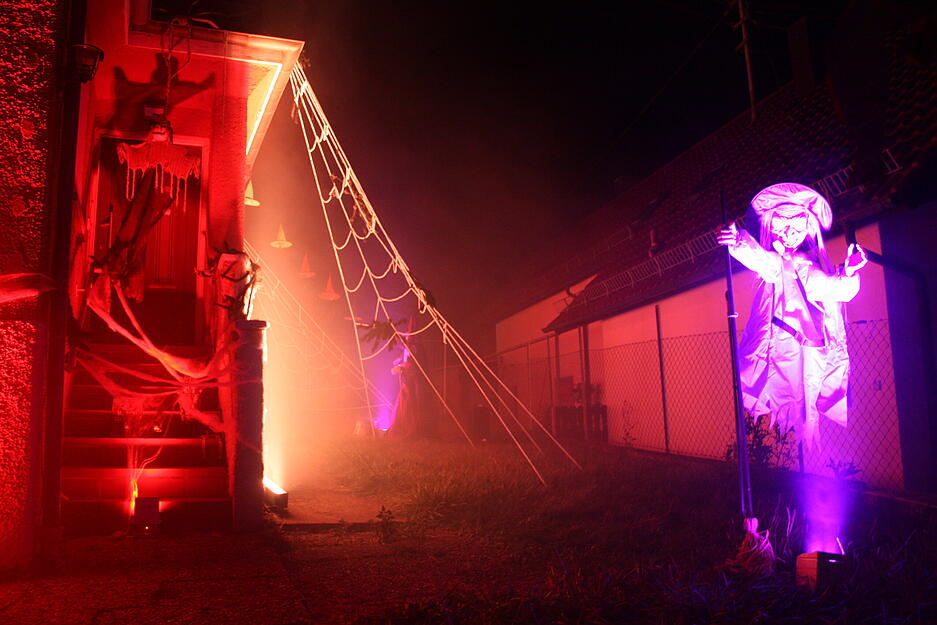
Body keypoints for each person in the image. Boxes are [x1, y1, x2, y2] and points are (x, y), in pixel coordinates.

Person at [718, 182, 868, 446]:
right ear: (770, 227)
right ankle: (800, 441)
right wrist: (738, 241)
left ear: (808, 227)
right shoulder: (777, 265)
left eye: (797, 227)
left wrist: (849, 272)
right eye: (782, 227)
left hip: (813, 348)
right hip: (783, 345)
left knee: (808, 397)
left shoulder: (810, 267)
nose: (789, 234)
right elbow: (762, 260)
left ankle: (806, 445)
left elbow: (834, 289)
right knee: (789, 393)